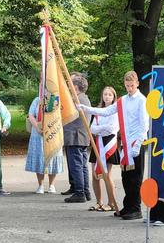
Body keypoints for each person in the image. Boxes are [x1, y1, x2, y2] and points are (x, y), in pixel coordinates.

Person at [79, 70, 148, 220]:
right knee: (125, 177)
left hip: (136, 143)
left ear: (137, 84)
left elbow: (144, 125)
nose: (129, 88)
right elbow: (106, 111)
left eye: (131, 85)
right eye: (127, 85)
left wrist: (138, 145)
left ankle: (136, 208)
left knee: (135, 178)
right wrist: (86, 109)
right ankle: (128, 206)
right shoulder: (123, 100)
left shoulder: (141, 100)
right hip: (125, 144)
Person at [87, 86, 120, 212]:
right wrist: (102, 128)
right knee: (95, 174)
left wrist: (101, 128)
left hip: (109, 144)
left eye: (109, 95)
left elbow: (112, 128)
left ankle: (111, 202)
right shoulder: (98, 111)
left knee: (107, 175)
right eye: (105, 94)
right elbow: (92, 128)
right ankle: (98, 202)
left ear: (113, 97)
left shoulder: (115, 111)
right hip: (98, 143)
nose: (107, 96)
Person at [25, 95, 64, 194]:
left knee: (53, 156)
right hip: (38, 133)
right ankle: (40, 185)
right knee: (39, 157)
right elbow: (31, 115)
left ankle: (52, 185)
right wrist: (38, 128)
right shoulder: (37, 100)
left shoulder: (57, 99)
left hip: (53, 133)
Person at [63, 72, 91, 203]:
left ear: (76, 87)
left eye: (71, 84)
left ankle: (80, 192)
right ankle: (85, 191)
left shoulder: (78, 99)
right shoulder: (84, 98)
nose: (69, 86)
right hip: (82, 137)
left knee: (77, 166)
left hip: (75, 137)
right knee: (82, 165)